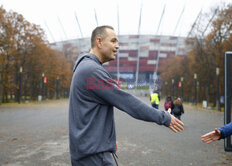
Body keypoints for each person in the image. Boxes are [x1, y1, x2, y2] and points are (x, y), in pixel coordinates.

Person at [69, 25, 184, 166]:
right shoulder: (92, 71)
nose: (117, 46)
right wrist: (164, 117)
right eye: (113, 41)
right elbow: (127, 102)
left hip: (89, 153)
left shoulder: (85, 67)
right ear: (99, 42)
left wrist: (107, 140)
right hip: (94, 157)